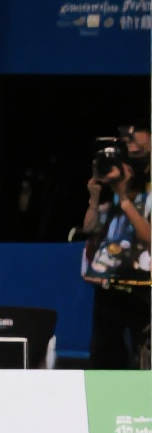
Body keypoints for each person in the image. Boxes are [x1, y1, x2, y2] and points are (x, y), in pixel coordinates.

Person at [82, 128, 149, 369]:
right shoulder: (110, 203)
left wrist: (125, 199)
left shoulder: (145, 199)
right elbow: (89, 228)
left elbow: (148, 237)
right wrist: (94, 198)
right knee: (105, 355)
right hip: (108, 286)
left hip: (141, 289)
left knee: (141, 354)